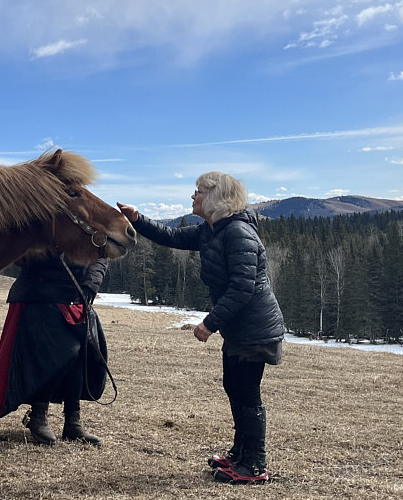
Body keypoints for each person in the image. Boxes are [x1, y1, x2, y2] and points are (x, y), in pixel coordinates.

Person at [117, 172, 285, 484]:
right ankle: (240, 455)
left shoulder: (238, 233)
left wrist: (209, 323)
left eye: (198, 192)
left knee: (247, 394)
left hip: (256, 329)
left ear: (216, 198)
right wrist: (137, 219)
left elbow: (242, 288)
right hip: (239, 329)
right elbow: (170, 237)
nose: (192, 197)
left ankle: (255, 466)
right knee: (233, 388)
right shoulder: (211, 230)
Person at [0, 254, 109, 447]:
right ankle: (38, 415)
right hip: (38, 295)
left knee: (81, 354)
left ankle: (73, 422)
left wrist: (91, 284)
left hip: (76, 295)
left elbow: (101, 253)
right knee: (56, 355)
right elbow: (24, 254)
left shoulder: (94, 223)